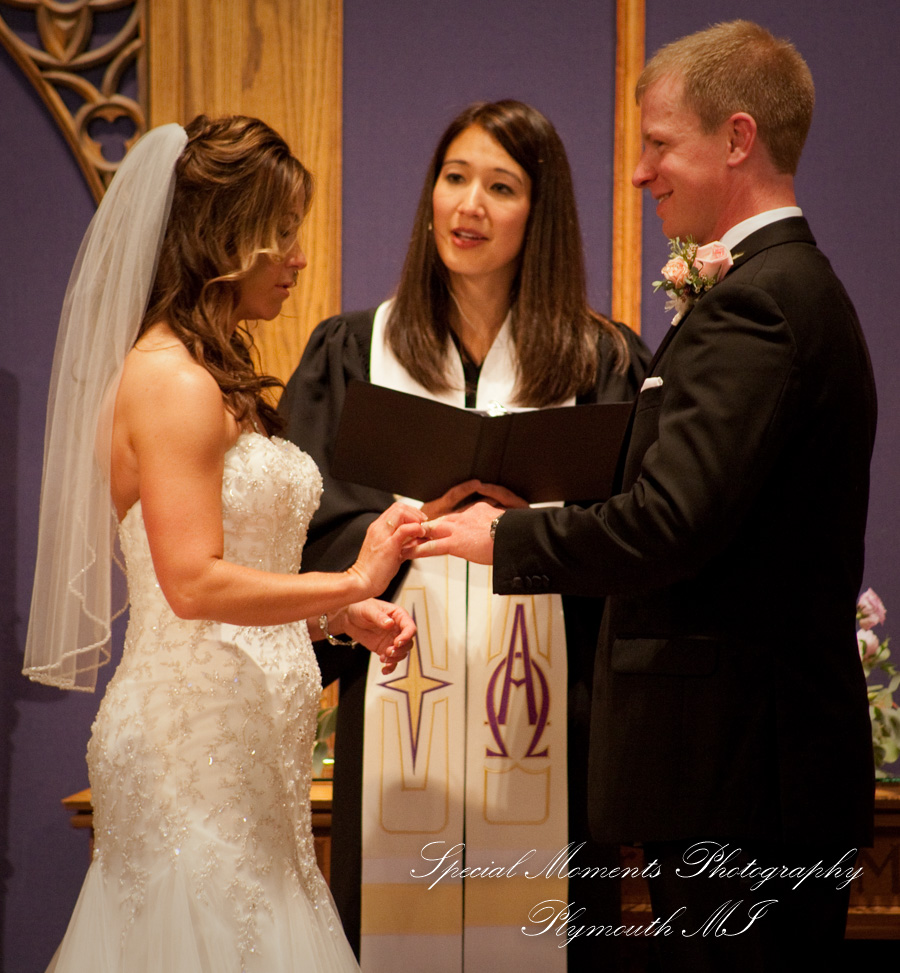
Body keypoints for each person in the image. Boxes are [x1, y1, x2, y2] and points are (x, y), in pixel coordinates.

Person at [413, 22, 877, 972]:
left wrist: (507, 536)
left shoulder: (760, 303)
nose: (640, 172)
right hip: (747, 776)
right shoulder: (782, 290)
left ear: (736, 139)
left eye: (660, 144)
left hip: (741, 783)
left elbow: (672, 521)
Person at [24, 115, 427, 973]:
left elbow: (243, 572)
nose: (298, 259)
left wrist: (336, 615)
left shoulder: (214, 373)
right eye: (281, 234)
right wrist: (355, 574)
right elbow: (194, 587)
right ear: (222, 236)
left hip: (250, 757)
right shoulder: (170, 378)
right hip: (189, 753)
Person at [280, 99, 648, 972]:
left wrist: (531, 527)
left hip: (552, 716)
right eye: (453, 178)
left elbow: (639, 537)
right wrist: (395, 527)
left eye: (500, 186)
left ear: (541, 212)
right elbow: (301, 528)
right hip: (402, 698)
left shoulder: (602, 363)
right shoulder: (353, 352)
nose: (468, 206)